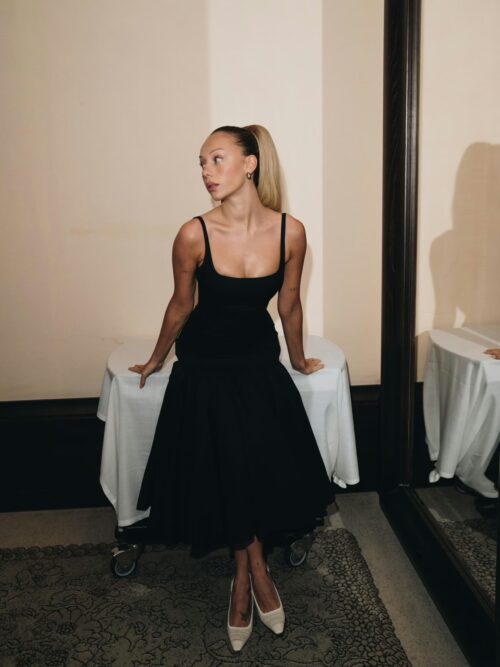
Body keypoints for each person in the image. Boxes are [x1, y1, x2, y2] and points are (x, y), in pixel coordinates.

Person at [128, 124, 336, 653]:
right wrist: (156, 359)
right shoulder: (193, 234)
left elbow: (289, 304)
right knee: (233, 460)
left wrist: (297, 359)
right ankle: (254, 575)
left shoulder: (292, 232)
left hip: (256, 363)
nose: (206, 171)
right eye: (201, 163)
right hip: (204, 366)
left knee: (249, 465)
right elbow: (181, 306)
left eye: (216, 159)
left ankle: (243, 577)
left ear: (250, 164)